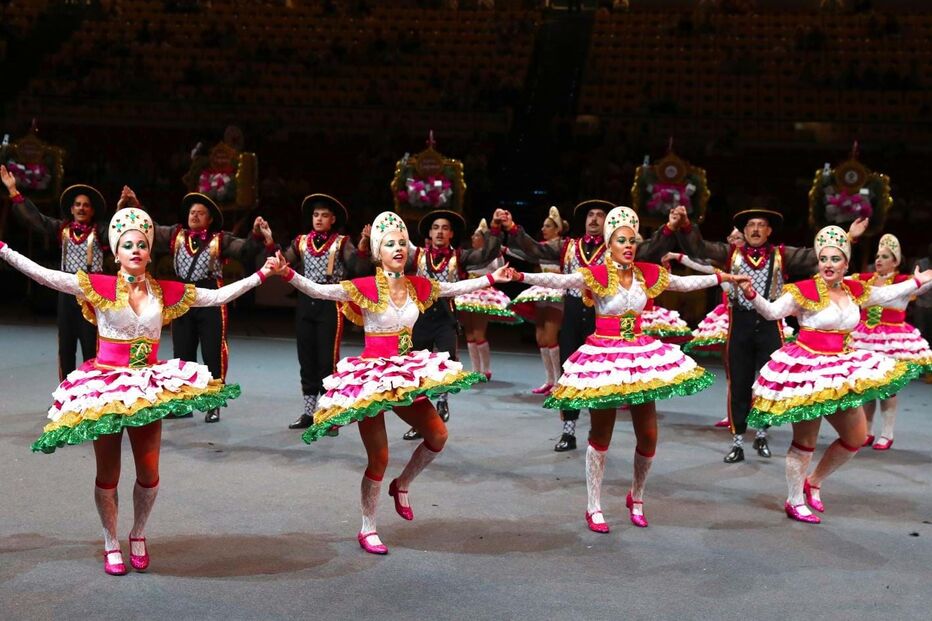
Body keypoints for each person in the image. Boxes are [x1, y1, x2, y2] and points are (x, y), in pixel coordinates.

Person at [0, 206, 281, 574]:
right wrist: (4, 249)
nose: (135, 250)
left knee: (149, 473)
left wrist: (261, 275)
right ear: (116, 253)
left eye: (142, 245)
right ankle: (110, 540)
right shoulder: (97, 285)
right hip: (106, 388)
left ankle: (138, 533)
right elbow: (44, 275)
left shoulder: (165, 292)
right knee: (108, 474)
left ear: (150, 253)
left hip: (146, 387)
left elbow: (217, 297)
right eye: (127, 245)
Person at [278, 211, 514, 554]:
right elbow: (319, 290)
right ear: (378, 251)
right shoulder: (364, 286)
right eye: (390, 244)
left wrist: (492, 279)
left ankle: (402, 485)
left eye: (402, 242)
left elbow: (452, 287)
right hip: (373, 377)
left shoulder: (418, 285)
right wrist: (287, 273)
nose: (398, 248)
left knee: (438, 435)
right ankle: (368, 527)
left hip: (404, 373)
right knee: (380, 457)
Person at [515, 206, 749, 532]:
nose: (628, 246)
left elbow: (682, 283)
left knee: (649, 435)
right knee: (601, 434)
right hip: (605, 357)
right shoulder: (597, 274)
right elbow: (560, 279)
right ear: (609, 245)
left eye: (632, 241)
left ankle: (636, 497)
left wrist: (723, 278)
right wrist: (521, 276)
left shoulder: (645, 274)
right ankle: (593, 505)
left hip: (639, 355)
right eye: (621, 240)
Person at [738, 226, 930, 523]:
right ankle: (794, 500)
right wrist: (750, 293)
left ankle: (814, 481)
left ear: (846, 263)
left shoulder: (855, 290)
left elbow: (887, 293)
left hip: (840, 370)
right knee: (805, 440)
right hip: (808, 371)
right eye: (823, 258)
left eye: (835, 259)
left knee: (855, 437)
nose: (828, 264)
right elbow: (772, 312)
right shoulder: (804, 290)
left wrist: (917, 281)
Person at [675, 202, 868, 462]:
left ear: (769, 231)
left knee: (769, 384)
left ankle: (762, 434)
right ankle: (738, 440)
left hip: (770, 325)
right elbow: (698, 249)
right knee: (739, 382)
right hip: (740, 323)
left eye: (761, 225)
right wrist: (686, 226)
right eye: (751, 225)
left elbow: (817, 255)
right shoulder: (731, 253)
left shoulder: (782, 254)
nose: (755, 229)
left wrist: (849, 237)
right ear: (744, 230)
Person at [495, 201, 681, 451]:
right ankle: (568, 430)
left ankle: (599, 431)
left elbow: (650, 247)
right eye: (590, 215)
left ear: (608, 223)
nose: (594, 219)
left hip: (602, 319)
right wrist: (512, 228)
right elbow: (536, 250)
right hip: (572, 312)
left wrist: (670, 227)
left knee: (600, 376)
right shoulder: (568, 246)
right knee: (568, 371)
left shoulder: (618, 246)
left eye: (600, 215)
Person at [118, 188, 268, 423]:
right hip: (182, 297)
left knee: (212, 352)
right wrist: (136, 207)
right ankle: (183, 405)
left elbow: (246, 250)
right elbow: (149, 230)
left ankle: (214, 403)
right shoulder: (176, 234)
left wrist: (256, 234)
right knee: (182, 352)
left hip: (210, 298)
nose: (195, 216)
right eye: (192, 212)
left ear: (210, 219)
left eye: (200, 213)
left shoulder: (220, 239)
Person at [260, 194, 370, 430]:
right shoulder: (301, 241)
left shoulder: (342, 242)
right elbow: (282, 262)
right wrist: (269, 241)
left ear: (333, 220)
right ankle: (309, 412)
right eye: (316, 215)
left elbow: (358, 268)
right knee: (306, 358)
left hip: (330, 304)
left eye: (324, 216)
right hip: (305, 303)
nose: (319, 219)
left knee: (327, 360)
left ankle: (328, 412)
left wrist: (362, 246)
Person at [399, 209, 503, 440]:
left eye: (445, 228)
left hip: (446, 318)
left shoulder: (460, 256)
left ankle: (443, 401)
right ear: (429, 233)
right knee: (417, 370)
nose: (439, 232)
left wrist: (495, 229)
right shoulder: (417, 254)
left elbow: (486, 255)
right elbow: (396, 249)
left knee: (446, 362)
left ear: (451, 234)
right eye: (436, 228)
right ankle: (419, 422)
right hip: (420, 317)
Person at [2, 166, 109, 379]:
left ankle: (91, 391)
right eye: (77, 205)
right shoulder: (63, 229)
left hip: (91, 296)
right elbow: (36, 220)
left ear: (92, 211)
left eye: (86, 205)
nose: (81, 208)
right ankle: (65, 392)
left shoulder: (101, 232)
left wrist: (127, 206)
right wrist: (13, 190)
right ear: (71, 209)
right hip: (66, 293)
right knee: (66, 346)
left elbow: (122, 233)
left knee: (91, 345)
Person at [849, 234, 932, 450]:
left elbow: (925, 285)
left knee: (887, 387)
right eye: (878, 256)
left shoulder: (904, 281)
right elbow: (841, 281)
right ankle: (867, 431)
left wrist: (923, 278)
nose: (879, 260)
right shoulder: (864, 279)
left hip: (890, 341)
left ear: (895, 261)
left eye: (885, 257)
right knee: (867, 385)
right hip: (865, 338)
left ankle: (887, 433)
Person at [508, 207, 568, 394]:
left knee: (550, 337)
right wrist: (504, 249)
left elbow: (533, 249)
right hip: (542, 290)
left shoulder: (562, 246)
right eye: (543, 226)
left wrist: (514, 229)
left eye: (548, 226)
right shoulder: (542, 247)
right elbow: (527, 253)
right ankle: (549, 380)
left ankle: (559, 381)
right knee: (541, 337)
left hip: (556, 291)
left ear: (557, 229)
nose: (543, 229)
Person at [453, 218, 520, 380]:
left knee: (478, 333)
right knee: (469, 334)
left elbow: (499, 269)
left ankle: (486, 370)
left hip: (482, 296)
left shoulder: (492, 257)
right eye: (473, 235)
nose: (473, 238)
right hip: (468, 293)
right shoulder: (469, 255)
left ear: (484, 239)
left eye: (477, 236)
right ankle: (476, 370)